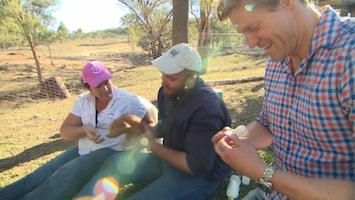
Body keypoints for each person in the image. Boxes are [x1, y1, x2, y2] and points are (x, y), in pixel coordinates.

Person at [212, 0, 355, 199]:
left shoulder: (350, 55)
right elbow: (269, 124)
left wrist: (264, 173)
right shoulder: (276, 59)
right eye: (244, 33)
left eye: (255, 27)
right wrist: (237, 138)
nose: (251, 43)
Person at [74, 43, 232, 200]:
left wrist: (150, 145)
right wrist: (139, 129)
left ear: (191, 78)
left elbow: (193, 166)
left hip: (202, 175)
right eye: (163, 74)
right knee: (114, 164)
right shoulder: (167, 92)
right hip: (169, 160)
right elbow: (166, 126)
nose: (164, 81)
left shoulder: (207, 108)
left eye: (171, 77)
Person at [0, 61, 157, 200]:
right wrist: (84, 130)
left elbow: (151, 125)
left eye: (106, 82)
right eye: (98, 86)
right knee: (45, 171)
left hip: (112, 150)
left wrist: (132, 130)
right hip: (84, 147)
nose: (105, 89)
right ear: (88, 87)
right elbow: (65, 131)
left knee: (65, 173)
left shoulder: (129, 101)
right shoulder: (83, 101)